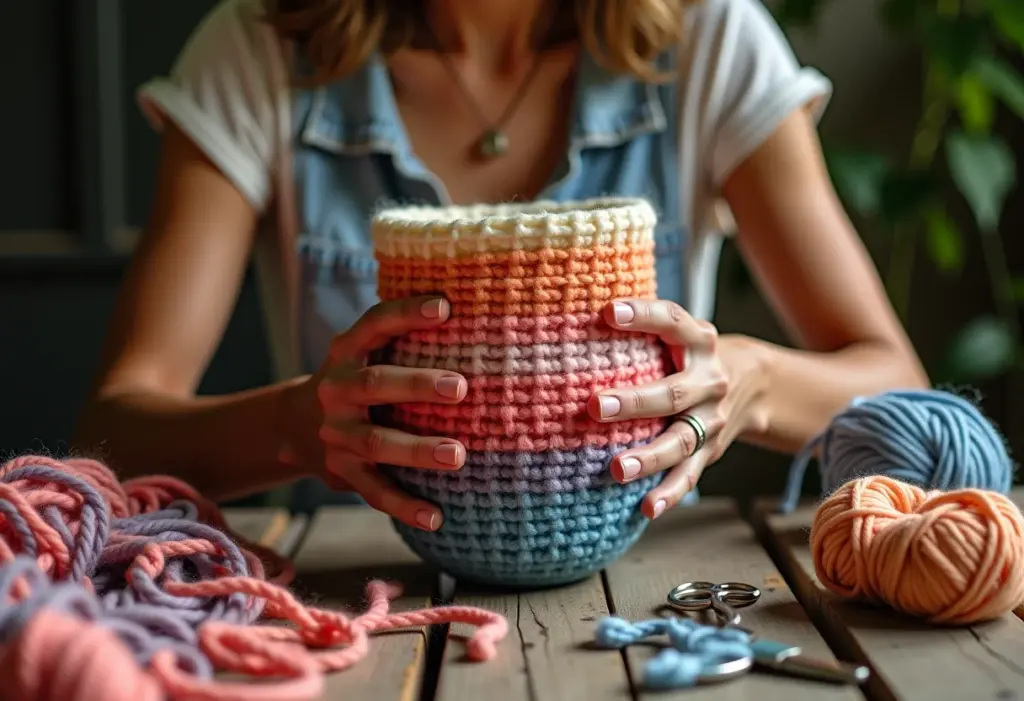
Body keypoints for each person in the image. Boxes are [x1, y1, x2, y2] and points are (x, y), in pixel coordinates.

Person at [75, 0, 928, 530]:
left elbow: (900, 390)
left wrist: (749, 381)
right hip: (350, 605)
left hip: (642, 599)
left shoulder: (709, 39)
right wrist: (301, 426)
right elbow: (113, 436)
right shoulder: (259, 47)